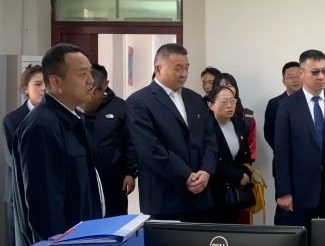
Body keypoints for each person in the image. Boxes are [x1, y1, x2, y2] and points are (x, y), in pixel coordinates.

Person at [12, 44, 103, 246]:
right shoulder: (43, 126)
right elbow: (45, 208)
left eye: (90, 72)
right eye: (82, 74)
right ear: (55, 82)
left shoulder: (70, 118)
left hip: (82, 245)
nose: (91, 81)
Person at [273, 50, 325, 243]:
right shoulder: (287, 106)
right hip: (301, 189)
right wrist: (283, 191)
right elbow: (282, 152)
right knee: (301, 245)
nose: (321, 77)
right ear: (301, 73)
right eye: (315, 72)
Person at [126, 43, 217, 221]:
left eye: (187, 67)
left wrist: (206, 171)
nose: (184, 74)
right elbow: (150, 149)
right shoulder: (139, 102)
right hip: (164, 196)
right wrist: (186, 175)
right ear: (158, 69)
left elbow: (210, 138)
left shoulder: (195, 99)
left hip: (200, 195)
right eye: (178, 68)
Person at [0, 65, 45, 246]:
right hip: (19, 196)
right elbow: (13, 159)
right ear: (25, 89)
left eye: (46, 83)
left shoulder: (53, 116)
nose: (43, 89)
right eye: (37, 84)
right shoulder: (13, 119)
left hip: (46, 195)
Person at [80, 63, 137, 217]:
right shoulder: (77, 106)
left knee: (115, 218)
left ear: (104, 85)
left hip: (114, 177)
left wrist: (131, 173)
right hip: (85, 178)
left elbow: (130, 142)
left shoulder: (121, 106)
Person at [207, 85, 252, 223]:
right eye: (223, 102)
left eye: (232, 101)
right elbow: (211, 160)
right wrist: (238, 176)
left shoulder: (239, 123)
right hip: (215, 192)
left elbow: (245, 154)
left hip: (236, 192)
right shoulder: (206, 127)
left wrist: (246, 174)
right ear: (211, 105)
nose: (229, 105)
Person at [212, 73, 257, 161]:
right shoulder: (206, 118)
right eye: (221, 86)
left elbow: (250, 149)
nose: (226, 89)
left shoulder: (247, 117)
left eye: (229, 85)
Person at [263, 61, 302, 151]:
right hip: (284, 155)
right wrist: (283, 153)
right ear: (284, 81)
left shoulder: (313, 101)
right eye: (290, 77)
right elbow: (269, 134)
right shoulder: (274, 104)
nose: (295, 80)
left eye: (298, 76)